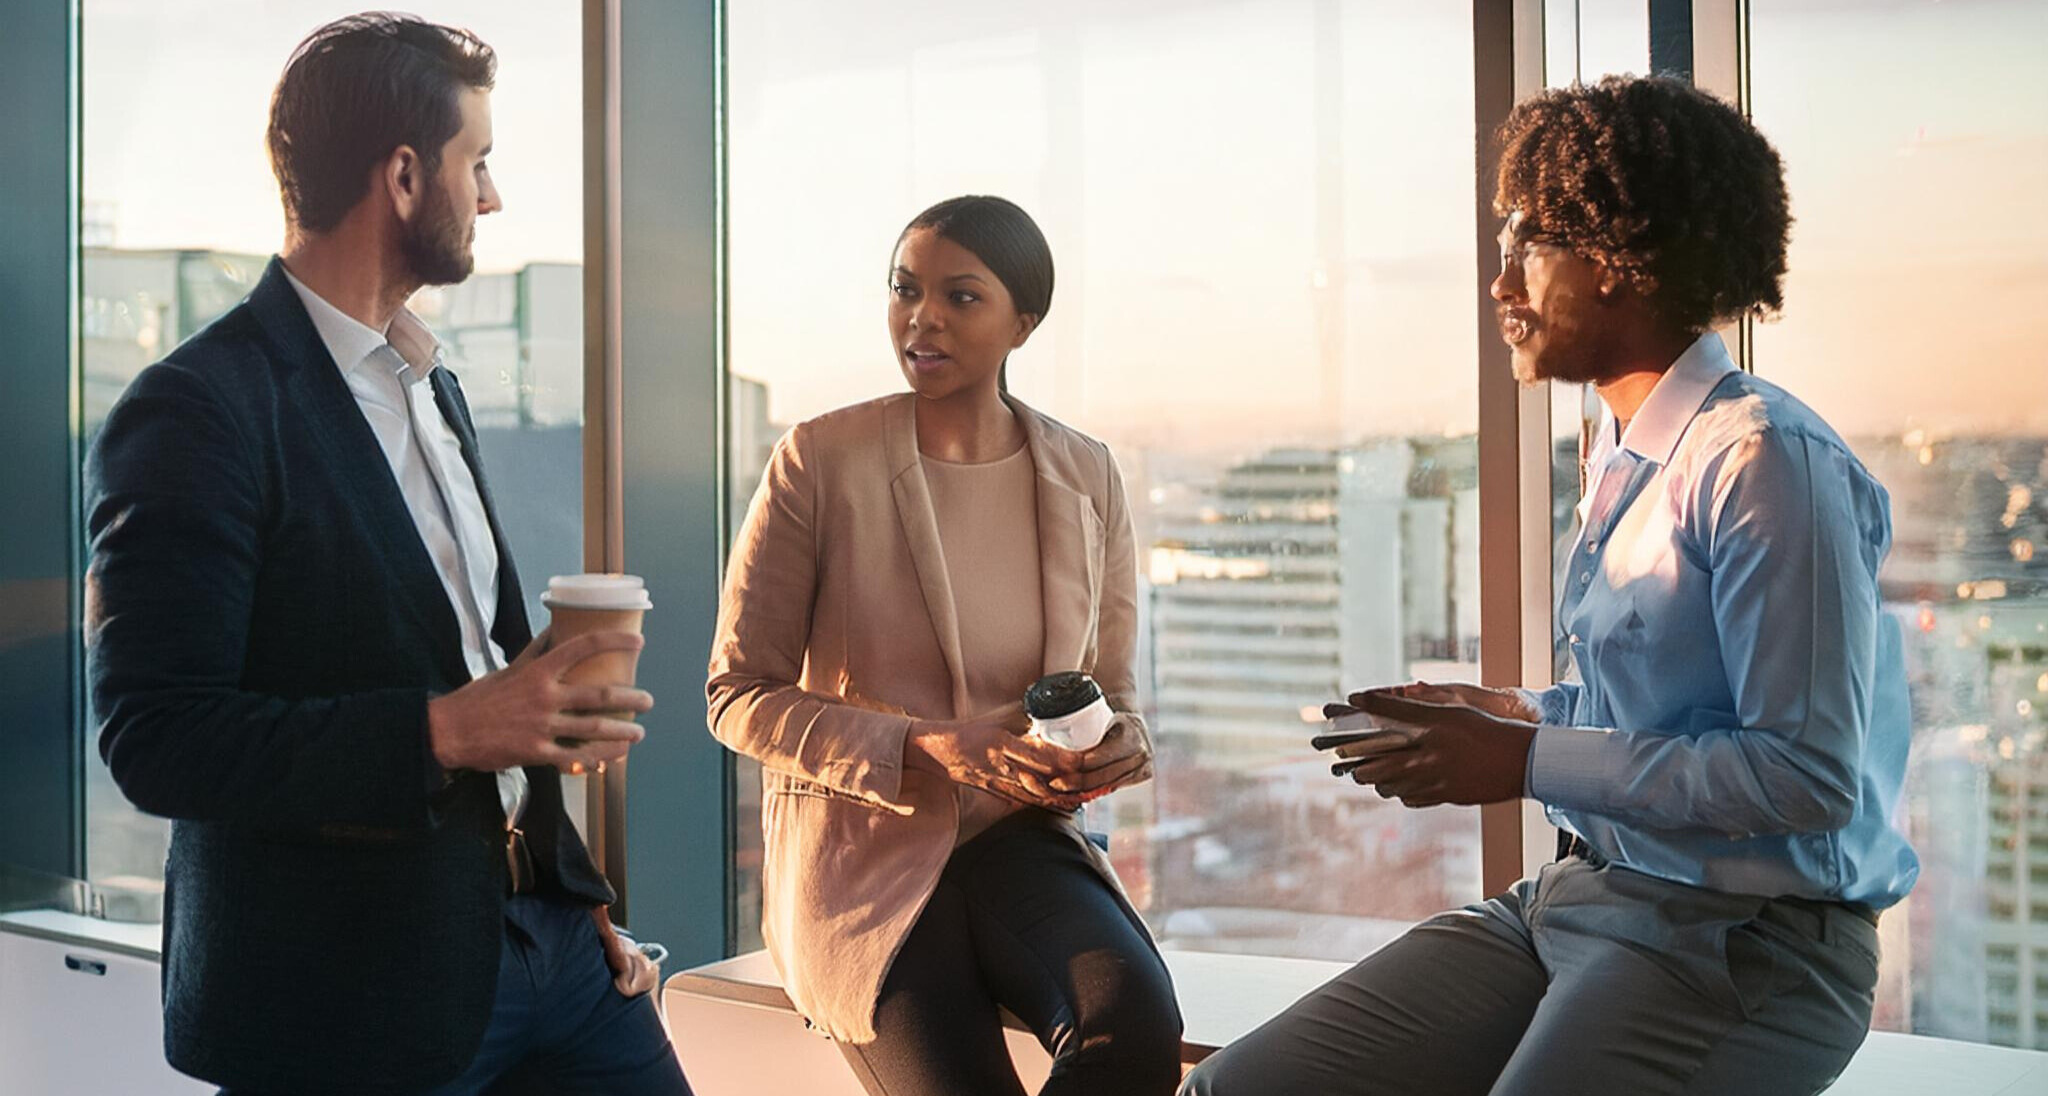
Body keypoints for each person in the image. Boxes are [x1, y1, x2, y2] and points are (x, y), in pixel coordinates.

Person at [1182, 75, 1918, 1096]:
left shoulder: (1760, 459)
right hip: (1582, 895)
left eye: (1524, 240)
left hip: (1741, 943)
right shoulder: (1619, 449)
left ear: (1622, 252)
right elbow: (1658, 715)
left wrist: (1525, 757)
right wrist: (1514, 712)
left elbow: (1798, 776)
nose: (1498, 283)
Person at [85, 15, 692, 1095]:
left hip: (551, 945)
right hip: (350, 993)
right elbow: (157, 737)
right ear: (405, 176)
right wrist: (452, 729)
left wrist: (570, 878)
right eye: (479, 161)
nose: (493, 196)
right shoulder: (197, 409)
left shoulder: (429, 381)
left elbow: (461, 652)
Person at [707, 195, 1183, 1095]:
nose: (920, 317)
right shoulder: (819, 458)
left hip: (1021, 843)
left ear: (1023, 322)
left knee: (1136, 1026)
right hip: (862, 851)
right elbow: (735, 694)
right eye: (904, 289)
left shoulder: (1087, 474)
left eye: (960, 296)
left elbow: (1112, 693)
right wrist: (926, 744)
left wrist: (1121, 744)